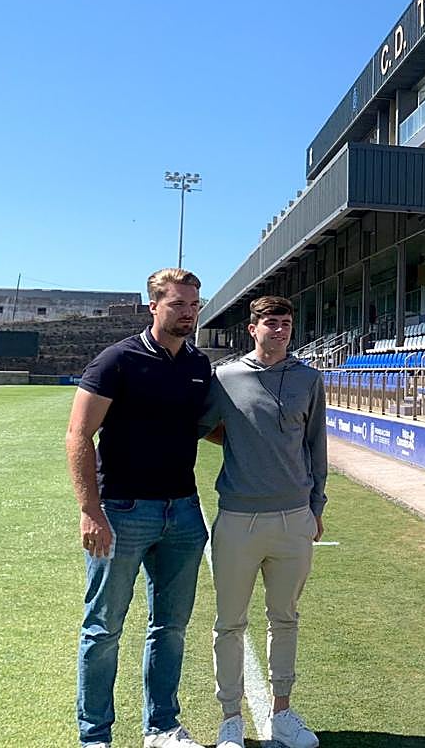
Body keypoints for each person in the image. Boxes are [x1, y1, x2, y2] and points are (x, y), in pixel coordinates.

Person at [66, 268, 212, 748]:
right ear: (154, 305)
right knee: (104, 628)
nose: (188, 312)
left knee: (170, 627)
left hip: (184, 514)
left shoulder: (198, 364)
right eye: (178, 304)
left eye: (193, 304)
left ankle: (162, 726)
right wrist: (91, 510)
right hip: (123, 511)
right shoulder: (117, 360)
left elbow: (207, 427)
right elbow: (79, 435)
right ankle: (95, 736)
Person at [199, 295, 327, 748]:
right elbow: (202, 426)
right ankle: (230, 718)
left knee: (285, 619)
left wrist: (317, 506)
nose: (280, 330)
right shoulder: (226, 377)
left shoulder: (309, 379)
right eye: (271, 323)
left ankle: (283, 714)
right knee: (229, 623)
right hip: (238, 518)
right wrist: (243, 446)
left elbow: (316, 446)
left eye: (287, 323)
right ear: (252, 328)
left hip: (294, 519)